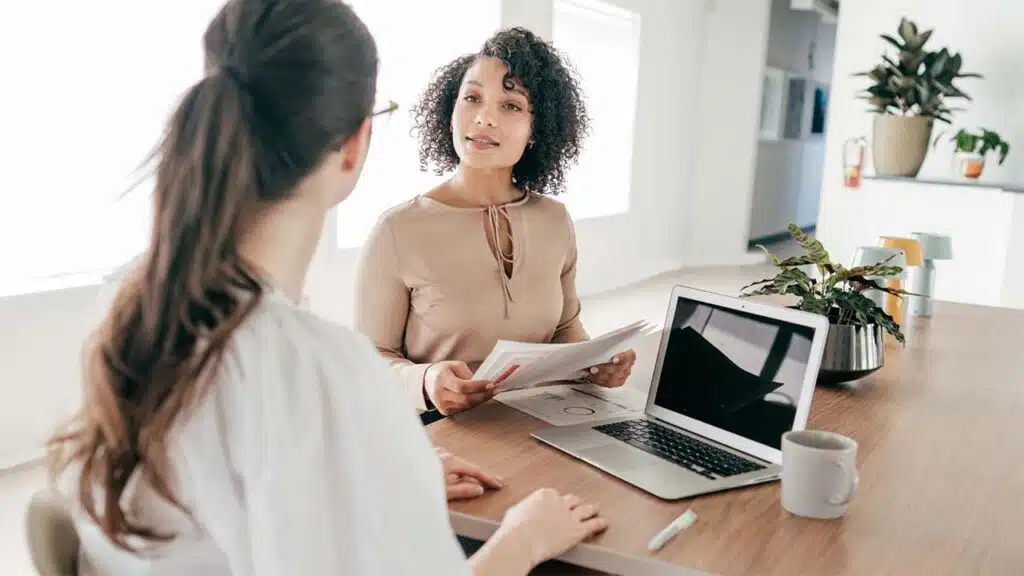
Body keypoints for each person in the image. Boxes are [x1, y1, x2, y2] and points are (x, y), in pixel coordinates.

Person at [46, 1, 607, 574]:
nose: (485, 118)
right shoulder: (321, 371)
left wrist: (377, 470)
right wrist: (525, 537)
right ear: (355, 144)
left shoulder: (127, 303)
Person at [355, 27, 637, 421]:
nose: (485, 118)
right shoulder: (397, 230)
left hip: (539, 420)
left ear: (537, 128)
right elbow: (368, 363)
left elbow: (564, 330)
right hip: (438, 433)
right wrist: (426, 380)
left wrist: (596, 363)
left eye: (511, 105)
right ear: (450, 111)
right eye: (472, 98)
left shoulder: (555, 220)